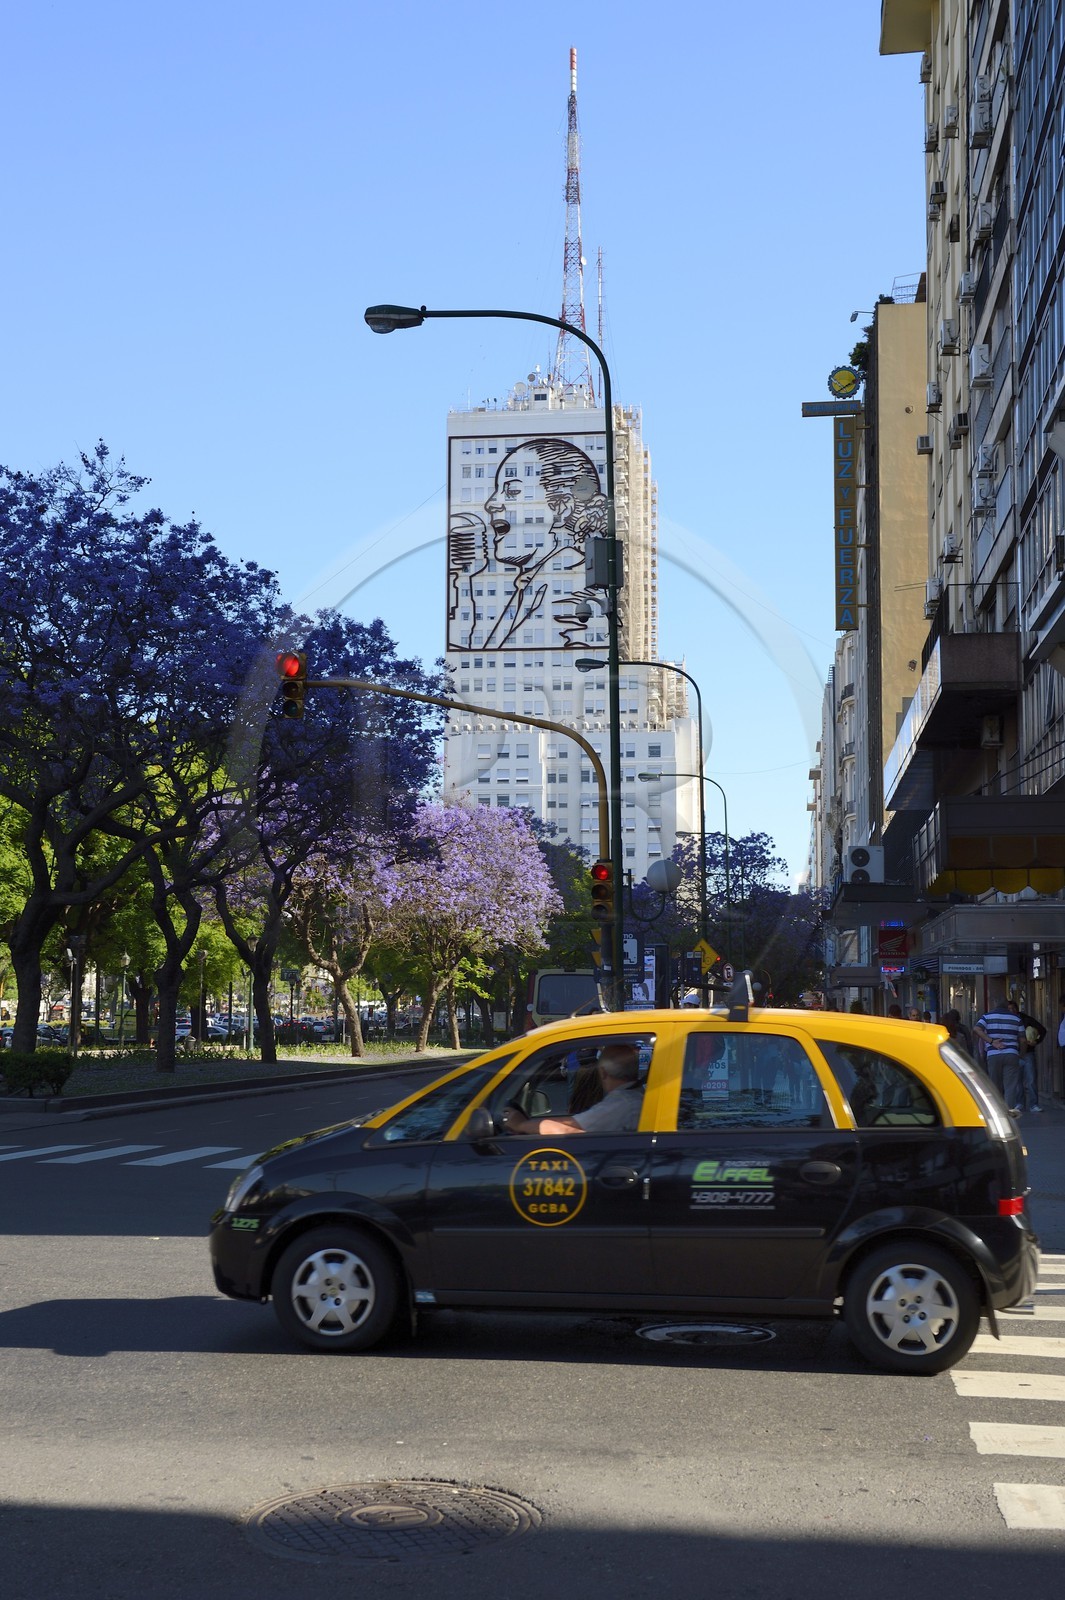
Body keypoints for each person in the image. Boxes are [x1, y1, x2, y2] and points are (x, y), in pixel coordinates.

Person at [502, 1044, 642, 1135]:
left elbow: (567, 1128)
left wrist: (520, 1124)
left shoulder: (622, 1103)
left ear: (603, 1073)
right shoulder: (635, 1096)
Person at [974, 999, 1026, 1113]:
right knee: (1010, 1086)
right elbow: (1023, 1040)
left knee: (995, 1084)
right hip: (1012, 1054)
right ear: (1007, 1006)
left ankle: (998, 1112)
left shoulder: (987, 1017)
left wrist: (991, 1041)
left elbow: (977, 1029)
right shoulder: (1016, 1018)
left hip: (993, 1054)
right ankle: (1008, 1112)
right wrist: (1021, 1054)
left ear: (994, 1005)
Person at [1008, 1001, 1043, 1114]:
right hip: (1015, 1053)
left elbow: (1042, 1030)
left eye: (1013, 1008)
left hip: (1028, 1053)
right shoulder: (1007, 1020)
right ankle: (1019, 1103)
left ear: (1017, 1009)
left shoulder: (1026, 1019)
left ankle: (1034, 1104)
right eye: (1009, 1009)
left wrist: (1036, 1041)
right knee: (1017, 1080)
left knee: (1031, 1079)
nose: (1012, 1011)